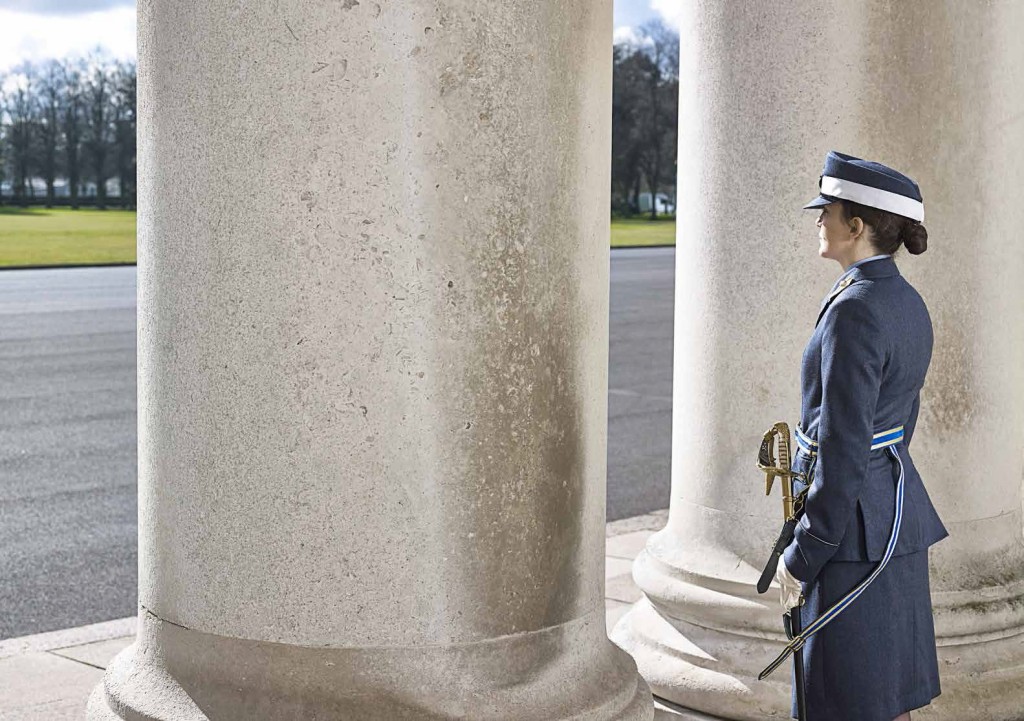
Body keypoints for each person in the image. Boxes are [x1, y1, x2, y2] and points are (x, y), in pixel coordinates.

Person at [774, 151, 949, 721]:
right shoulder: (904, 300)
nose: (817, 221)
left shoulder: (855, 310)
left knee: (843, 700)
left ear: (857, 226)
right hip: (891, 517)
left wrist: (804, 556)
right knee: (880, 696)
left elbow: (845, 451)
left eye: (827, 210)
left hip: (849, 538)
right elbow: (900, 422)